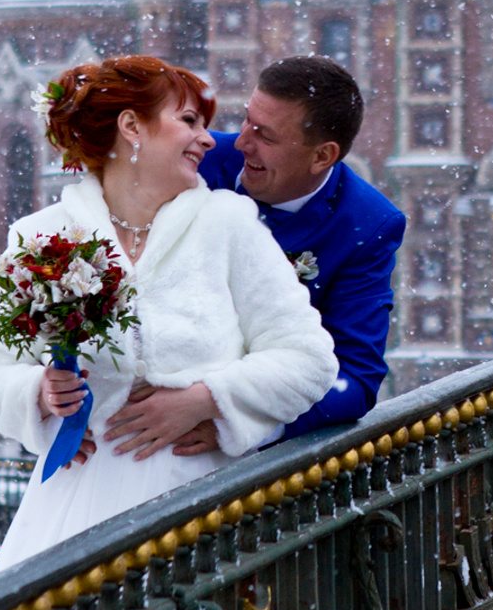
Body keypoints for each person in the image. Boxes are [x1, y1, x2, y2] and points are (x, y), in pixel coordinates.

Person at [0, 56, 338, 571]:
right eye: (189, 121)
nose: (209, 141)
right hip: (75, 514)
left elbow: (310, 359)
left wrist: (207, 400)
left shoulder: (228, 224)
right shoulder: (44, 235)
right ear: (131, 127)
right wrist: (40, 396)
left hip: (205, 509)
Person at [128, 54, 402, 453]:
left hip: (229, 463)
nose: (241, 142)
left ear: (322, 156)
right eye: (246, 120)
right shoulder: (194, 158)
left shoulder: (368, 223)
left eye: (266, 136)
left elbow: (354, 380)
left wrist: (231, 418)